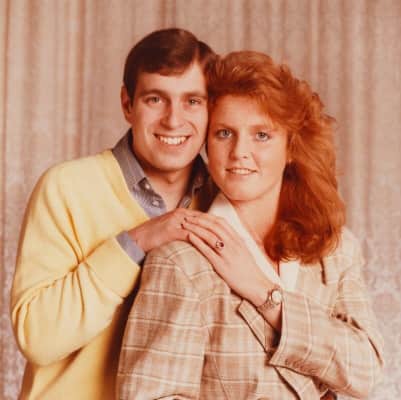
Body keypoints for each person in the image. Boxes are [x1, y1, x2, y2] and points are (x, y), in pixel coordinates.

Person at [117, 51, 384, 399]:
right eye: (224, 133)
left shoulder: (334, 249)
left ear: (291, 147)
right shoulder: (181, 262)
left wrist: (264, 293)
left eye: (261, 135)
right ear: (206, 144)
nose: (239, 151)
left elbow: (365, 372)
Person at [10, 28, 216, 399]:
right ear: (127, 104)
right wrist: (138, 241)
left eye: (192, 101)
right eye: (156, 99)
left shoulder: (223, 201)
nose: (173, 120)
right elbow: (37, 337)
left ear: (211, 110)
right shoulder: (67, 187)